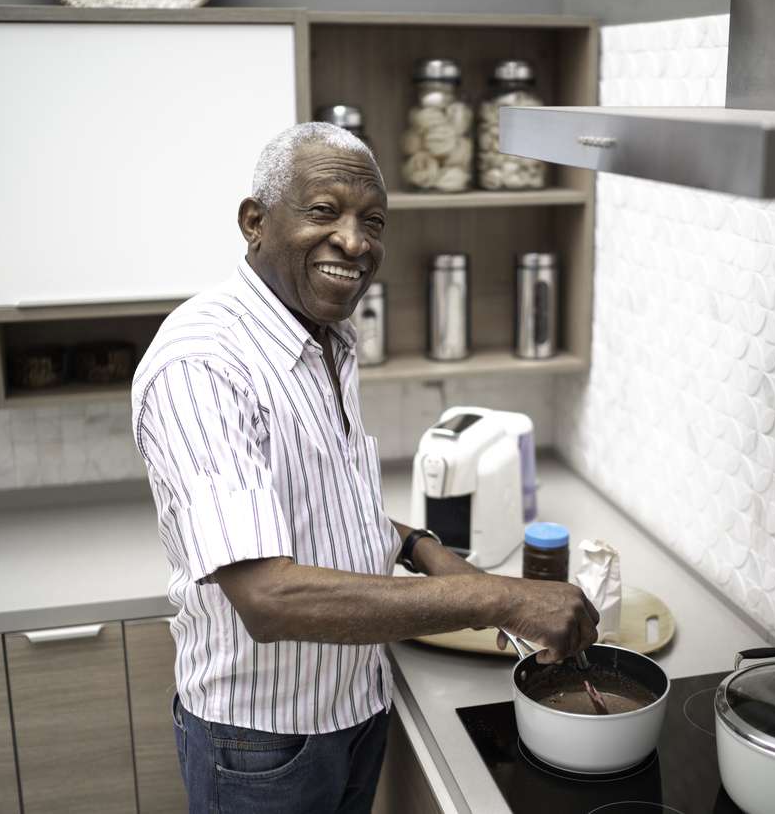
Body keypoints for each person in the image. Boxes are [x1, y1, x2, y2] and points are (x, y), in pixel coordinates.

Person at [131, 122, 598, 814]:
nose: (354, 241)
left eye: (372, 221)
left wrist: (417, 545)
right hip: (263, 740)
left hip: (354, 706)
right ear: (254, 222)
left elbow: (315, 499)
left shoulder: (324, 335)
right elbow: (267, 597)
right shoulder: (204, 362)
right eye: (323, 211)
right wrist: (501, 597)